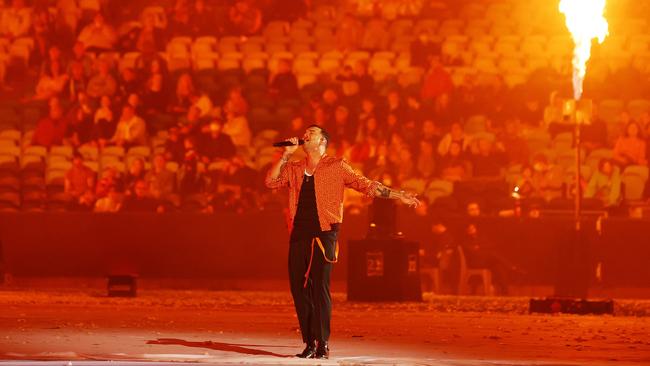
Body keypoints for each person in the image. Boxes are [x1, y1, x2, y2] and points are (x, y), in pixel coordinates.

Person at [265, 125, 420, 359]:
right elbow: (271, 182)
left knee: (319, 287)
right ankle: (309, 341)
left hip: (325, 230)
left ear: (323, 142)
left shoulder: (337, 166)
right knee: (299, 287)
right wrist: (285, 155)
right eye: (305, 133)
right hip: (299, 231)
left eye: (312, 133)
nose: (306, 135)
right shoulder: (295, 168)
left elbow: (366, 184)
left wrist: (398, 195)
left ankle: (322, 342)